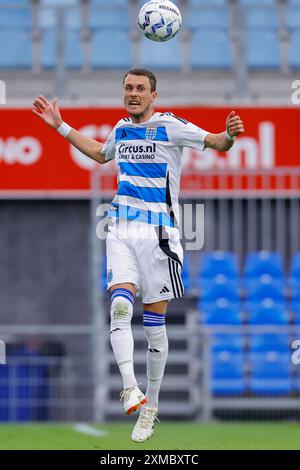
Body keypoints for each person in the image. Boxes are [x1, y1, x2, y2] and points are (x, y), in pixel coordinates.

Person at [32, 68, 244, 443]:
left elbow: (215, 142)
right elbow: (100, 153)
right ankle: (130, 388)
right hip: (121, 228)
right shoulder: (120, 129)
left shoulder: (170, 126)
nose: (133, 94)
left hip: (159, 235)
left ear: (153, 95)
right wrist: (60, 126)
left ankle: (151, 407)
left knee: (153, 326)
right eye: (128, 88)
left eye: (140, 89)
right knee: (119, 307)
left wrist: (228, 134)